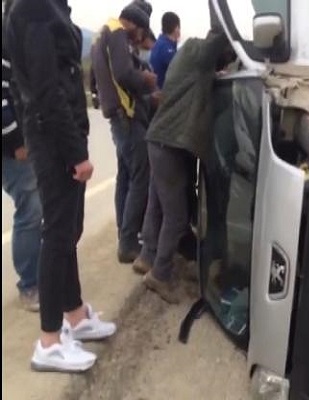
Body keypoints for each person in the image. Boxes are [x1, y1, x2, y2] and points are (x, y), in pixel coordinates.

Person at [6, 0, 116, 372]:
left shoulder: (49, 6)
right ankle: (49, 341)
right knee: (56, 233)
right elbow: (46, 91)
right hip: (53, 139)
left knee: (67, 231)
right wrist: (75, 153)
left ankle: (75, 315)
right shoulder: (33, 8)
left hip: (55, 136)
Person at [132, 29, 236, 303]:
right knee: (176, 216)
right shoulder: (199, 53)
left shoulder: (187, 59)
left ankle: (146, 257)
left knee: (156, 203)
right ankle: (160, 275)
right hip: (169, 144)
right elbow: (220, 36)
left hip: (160, 140)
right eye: (222, 62)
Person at [90, 4, 158, 263]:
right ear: (134, 24)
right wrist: (146, 81)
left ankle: (124, 233)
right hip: (127, 117)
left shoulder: (101, 35)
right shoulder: (117, 33)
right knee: (140, 177)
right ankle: (129, 242)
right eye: (140, 31)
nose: (139, 38)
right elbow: (123, 73)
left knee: (125, 177)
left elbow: (102, 78)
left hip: (116, 117)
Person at [2, 3, 41, 312]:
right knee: (30, 209)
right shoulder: (6, 37)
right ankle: (29, 284)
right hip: (9, 146)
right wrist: (16, 141)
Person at [150, 11, 181, 89]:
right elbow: (181, 70)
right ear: (176, 28)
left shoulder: (159, 44)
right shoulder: (167, 49)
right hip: (164, 93)